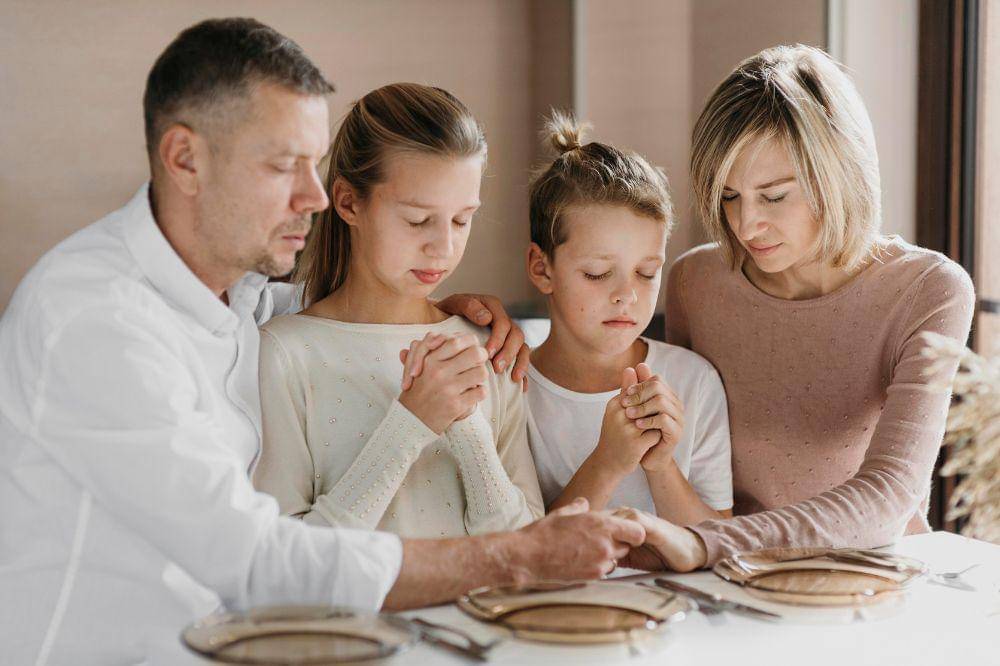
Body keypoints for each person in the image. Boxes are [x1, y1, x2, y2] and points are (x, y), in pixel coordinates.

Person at [0, 19, 645, 664]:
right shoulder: (95, 322)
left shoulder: (243, 295)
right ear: (185, 159)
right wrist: (519, 557)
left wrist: (438, 311)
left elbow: (343, 323)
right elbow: (258, 563)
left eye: (314, 164)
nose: (315, 196)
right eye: (285, 166)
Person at [618, 44, 975, 571]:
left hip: (864, 582)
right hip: (723, 582)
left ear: (839, 175)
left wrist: (712, 544)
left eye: (775, 195)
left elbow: (890, 495)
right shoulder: (697, 280)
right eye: (729, 196)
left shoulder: (929, 290)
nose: (745, 225)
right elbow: (680, 457)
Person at [254, 83, 544, 538]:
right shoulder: (284, 353)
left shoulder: (490, 347)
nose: (443, 247)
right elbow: (286, 561)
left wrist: (469, 432)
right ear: (349, 202)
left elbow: (531, 548)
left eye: (462, 219)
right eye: (417, 220)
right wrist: (411, 424)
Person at [522, 112, 733, 525]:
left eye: (646, 272)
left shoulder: (694, 381)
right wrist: (608, 462)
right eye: (598, 273)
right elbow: (520, 546)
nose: (627, 295)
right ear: (541, 268)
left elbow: (719, 538)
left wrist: (661, 466)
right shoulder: (511, 392)